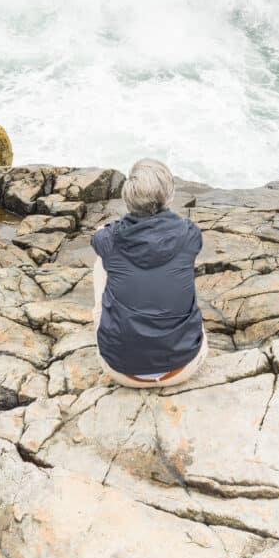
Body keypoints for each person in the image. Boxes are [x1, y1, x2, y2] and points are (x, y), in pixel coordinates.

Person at [91, 157, 208, 387]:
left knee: (102, 260)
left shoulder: (108, 239)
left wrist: (107, 230)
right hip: (182, 367)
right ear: (168, 195)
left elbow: (98, 237)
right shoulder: (191, 235)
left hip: (122, 371)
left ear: (128, 198)